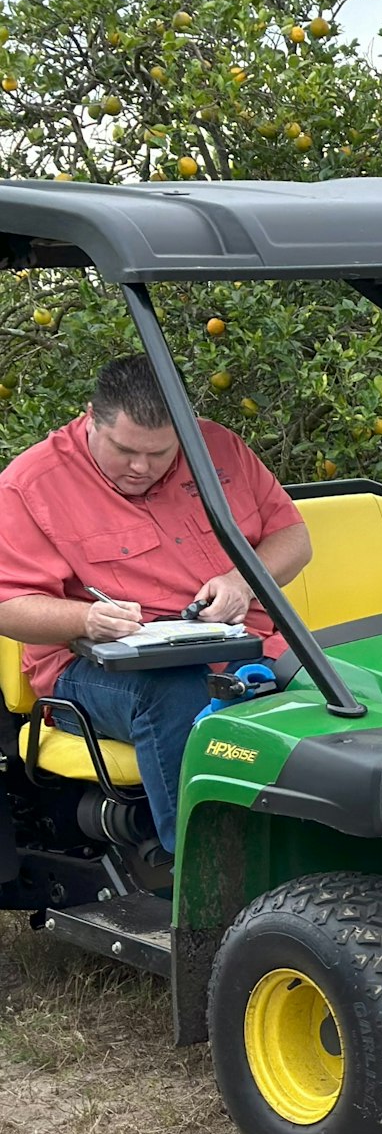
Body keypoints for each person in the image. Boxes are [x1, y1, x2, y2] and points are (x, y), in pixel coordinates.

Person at [0, 356, 311, 853]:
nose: (141, 468)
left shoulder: (218, 449)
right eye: (124, 451)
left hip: (239, 643)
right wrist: (85, 617)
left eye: (161, 453)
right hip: (94, 667)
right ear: (90, 418)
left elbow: (293, 539)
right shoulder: (30, 484)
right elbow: (8, 606)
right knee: (178, 694)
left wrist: (240, 581)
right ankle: (205, 874)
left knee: (322, 685)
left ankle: (325, 859)